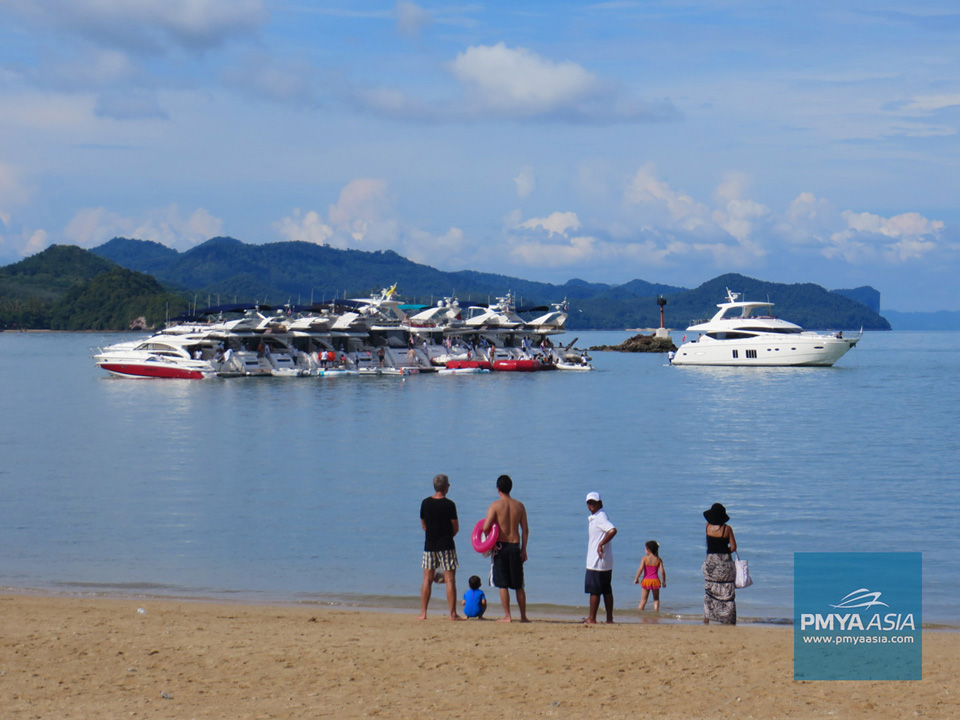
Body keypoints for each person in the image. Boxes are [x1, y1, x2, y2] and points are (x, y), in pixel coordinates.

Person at [483, 474, 529, 622]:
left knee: (503, 584)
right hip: (515, 546)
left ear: (498, 489)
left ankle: (507, 616)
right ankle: (523, 617)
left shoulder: (495, 506)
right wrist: (524, 549)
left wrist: (488, 542)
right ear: (510, 488)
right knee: (518, 584)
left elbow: (486, 527)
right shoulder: (519, 506)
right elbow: (525, 530)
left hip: (501, 547)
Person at [417, 474, 461, 621]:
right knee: (450, 579)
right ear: (446, 487)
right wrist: (447, 535)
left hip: (430, 544)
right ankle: (452, 613)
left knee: (427, 579)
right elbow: (455, 528)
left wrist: (432, 533)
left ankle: (423, 613)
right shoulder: (450, 505)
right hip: (446, 544)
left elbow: (424, 524)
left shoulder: (425, 503)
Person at [584, 492, 617, 624]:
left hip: (597, 561)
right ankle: (609, 618)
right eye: (589, 502)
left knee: (595, 591)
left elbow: (612, 530)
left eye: (594, 502)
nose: (591, 505)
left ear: (600, 503)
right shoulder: (597, 516)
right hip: (605, 560)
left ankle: (592, 618)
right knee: (606, 589)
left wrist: (600, 544)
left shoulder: (600, 517)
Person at [702, 502, 737, 625]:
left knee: (710, 590)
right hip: (724, 563)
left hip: (710, 563)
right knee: (726, 590)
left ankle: (707, 617)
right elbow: (733, 547)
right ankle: (727, 618)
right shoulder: (727, 529)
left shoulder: (707, 527)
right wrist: (724, 551)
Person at [634, 540, 666, 611]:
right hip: (655, 581)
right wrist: (664, 581)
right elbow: (662, 571)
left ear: (648, 549)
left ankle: (639, 612)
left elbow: (640, 569)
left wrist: (636, 578)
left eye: (645, 549)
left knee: (643, 600)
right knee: (656, 599)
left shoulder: (644, 558)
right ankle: (656, 612)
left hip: (646, 580)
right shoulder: (658, 559)